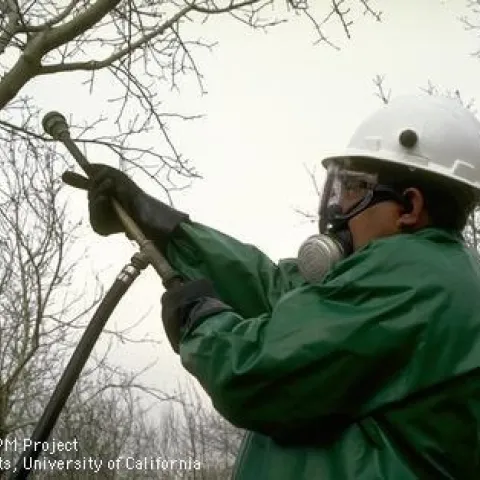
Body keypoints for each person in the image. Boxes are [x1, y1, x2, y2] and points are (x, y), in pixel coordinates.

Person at [64, 94, 480, 479]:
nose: (340, 210)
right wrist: (166, 229)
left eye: (355, 189)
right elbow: (278, 291)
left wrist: (200, 321)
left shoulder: (410, 278)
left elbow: (254, 370)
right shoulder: (435, 274)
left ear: (409, 207)